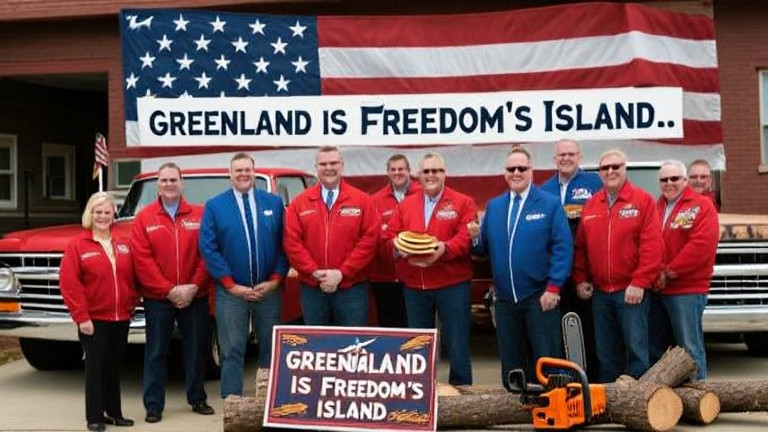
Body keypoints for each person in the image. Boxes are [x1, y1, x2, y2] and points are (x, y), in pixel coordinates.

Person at [469, 146, 572, 389]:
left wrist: (554, 288)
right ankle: (514, 407)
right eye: (511, 169)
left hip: (540, 295)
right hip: (505, 299)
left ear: (531, 171)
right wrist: (473, 238)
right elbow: (483, 248)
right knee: (512, 360)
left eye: (521, 168)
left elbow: (562, 248)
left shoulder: (549, 204)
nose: (516, 173)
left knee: (546, 357)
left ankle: (551, 403)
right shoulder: (494, 207)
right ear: (505, 173)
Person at [199, 153, 289, 398]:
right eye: (238, 170)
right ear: (230, 174)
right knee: (232, 349)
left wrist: (275, 280)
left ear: (254, 171)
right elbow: (209, 248)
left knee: (270, 348)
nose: (243, 174)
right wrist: (229, 284)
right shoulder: (215, 206)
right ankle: (232, 400)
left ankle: (271, 399)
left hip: (268, 291)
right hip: (231, 292)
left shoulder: (273, 203)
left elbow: (285, 245)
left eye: (247, 169)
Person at [131, 163, 213, 423]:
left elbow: (207, 254)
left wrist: (193, 287)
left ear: (182, 182)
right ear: (158, 184)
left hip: (195, 296)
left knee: (196, 350)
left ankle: (197, 398)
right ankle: (153, 405)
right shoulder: (144, 217)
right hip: (158, 299)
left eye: (173, 180)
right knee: (156, 352)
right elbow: (142, 261)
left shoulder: (200, 215)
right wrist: (168, 290)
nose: (169, 184)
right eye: (164, 180)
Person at [385, 152, 476, 385]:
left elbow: (466, 236)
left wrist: (445, 249)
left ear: (445, 174)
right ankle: (421, 393)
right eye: (426, 171)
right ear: (418, 175)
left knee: (457, 343)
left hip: (452, 284)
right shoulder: (406, 205)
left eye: (436, 170)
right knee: (419, 344)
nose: (431, 175)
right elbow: (390, 236)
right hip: (416, 286)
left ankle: (462, 398)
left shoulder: (463, 202)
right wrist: (398, 249)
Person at [572, 149, 663, 382]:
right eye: (605, 168)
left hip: (631, 292)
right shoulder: (592, 205)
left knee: (637, 352)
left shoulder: (643, 201)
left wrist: (640, 282)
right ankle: (610, 404)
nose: (610, 171)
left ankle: (640, 404)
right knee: (606, 354)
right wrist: (581, 279)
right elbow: (581, 247)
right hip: (601, 294)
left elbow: (652, 246)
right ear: (599, 173)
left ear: (625, 169)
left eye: (616, 166)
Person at [60, 192, 138, 431]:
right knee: (95, 369)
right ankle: (95, 416)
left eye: (107, 211)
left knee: (114, 368)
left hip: (120, 317)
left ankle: (114, 413)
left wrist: (131, 303)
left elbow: (132, 277)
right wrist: (81, 317)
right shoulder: (78, 245)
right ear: (90, 214)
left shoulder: (123, 243)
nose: (103, 216)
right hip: (93, 319)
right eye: (98, 212)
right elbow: (69, 283)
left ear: (114, 214)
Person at [283, 146, 380, 326]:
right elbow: (292, 242)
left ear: (342, 165)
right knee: (317, 345)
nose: (329, 168)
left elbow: (370, 240)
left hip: (352, 289)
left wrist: (343, 273)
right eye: (323, 164)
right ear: (316, 167)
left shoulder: (362, 201)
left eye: (333, 163)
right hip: (313, 288)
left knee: (352, 346)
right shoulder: (300, 203)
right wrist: (314, 272)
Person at [649, 160, 719, 380]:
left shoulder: (701, 206)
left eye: (674, 179)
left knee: (689, 347)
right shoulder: (656, 207)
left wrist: (669, 272)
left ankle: (699, 395)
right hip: (658, 289)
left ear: (685, 180)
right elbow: (649, 243)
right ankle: (669, 400)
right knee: (659, 349)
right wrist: (654, 273)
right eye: (664, 180)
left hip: (687, 290)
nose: (669, 183)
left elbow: (700, 247)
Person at [540, 138, 602, 380]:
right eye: (561, 155)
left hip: (584, 276)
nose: (566, 158)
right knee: (557, 332)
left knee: (588, 330)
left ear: (580, 157)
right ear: (554, 160)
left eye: (571, 154)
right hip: (555, 277)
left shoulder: (595, 184)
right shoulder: (543, 190)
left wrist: (584, 275)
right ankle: (562, 381)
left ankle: (592, 382)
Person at [369, 154, 421, 328]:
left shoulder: (422, 195)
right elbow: (372, 237)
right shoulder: (374, 201)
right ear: (387, 172)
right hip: (384, 277)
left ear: (409, 171)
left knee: (416, 325)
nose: (397, 173)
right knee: (389, 327)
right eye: (393, 169)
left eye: (401, 169)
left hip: (415, 276)